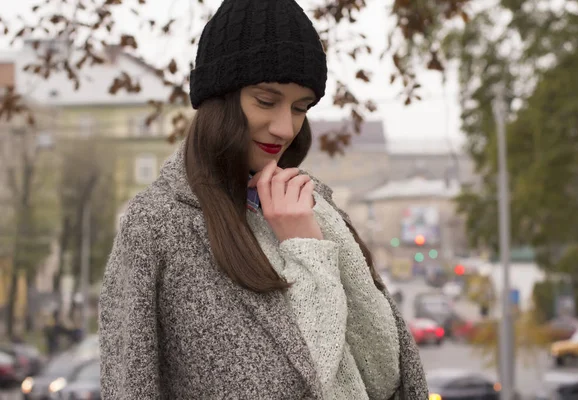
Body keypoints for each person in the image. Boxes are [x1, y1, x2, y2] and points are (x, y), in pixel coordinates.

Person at [98, 0, 428, 399]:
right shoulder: (157, 225)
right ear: (218, 99)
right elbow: (129, 385)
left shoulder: (315, 210)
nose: (285, 127)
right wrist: (307, 253)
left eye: (300, 108)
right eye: (266, 101)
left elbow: (382, 376)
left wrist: (310, 239)